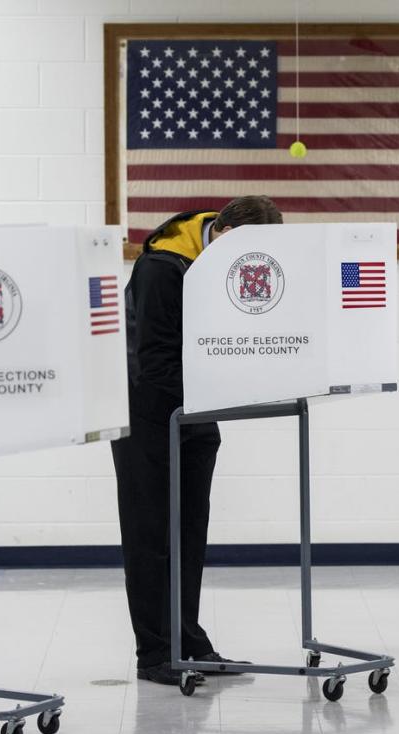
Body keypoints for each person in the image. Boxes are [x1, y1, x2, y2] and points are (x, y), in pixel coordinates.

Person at [112, 196, 283, 686]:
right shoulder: (162, 268)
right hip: (144, 415)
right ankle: (155, 654)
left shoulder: (223, 268)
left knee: (188, 534)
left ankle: (190, 643)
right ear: (221, 228)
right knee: (151, 536)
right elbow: (155, 361)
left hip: (198, 415)